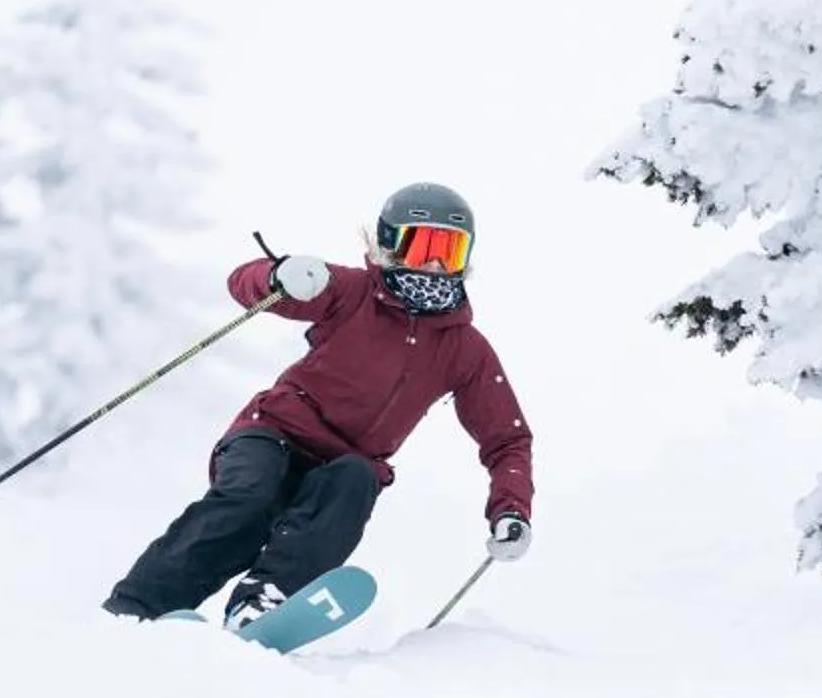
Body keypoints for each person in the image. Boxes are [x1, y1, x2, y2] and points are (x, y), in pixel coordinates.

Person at [102, 181, 534, 626]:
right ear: (390, 244)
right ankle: (136, 607)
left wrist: (511, 509)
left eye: (452, 251)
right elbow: (243, 284)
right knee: (250, 500)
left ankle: (263, 603)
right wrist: (276, 276)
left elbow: (507, 439)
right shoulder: (353, 292)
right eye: (424, 247)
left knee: (354, 482)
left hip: (346, 463)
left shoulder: (464, 348)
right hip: (272, 433)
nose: (437, 265)